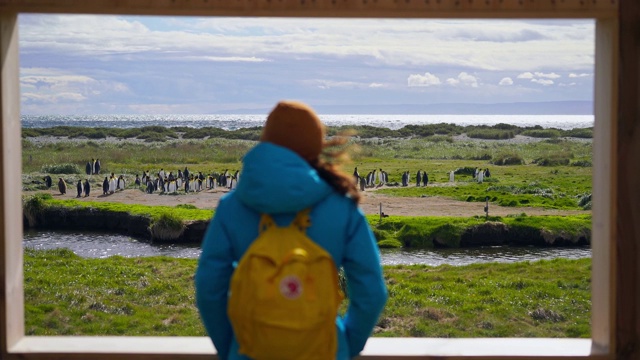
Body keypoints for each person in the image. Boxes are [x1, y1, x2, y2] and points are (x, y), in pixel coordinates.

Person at [195, 100, 387, 360]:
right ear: (315, 146)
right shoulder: (342, 207)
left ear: (266, 141)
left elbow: (209, 288)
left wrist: (233, 345)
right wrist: (344, 344)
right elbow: (371, 291)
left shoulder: (232, 206)